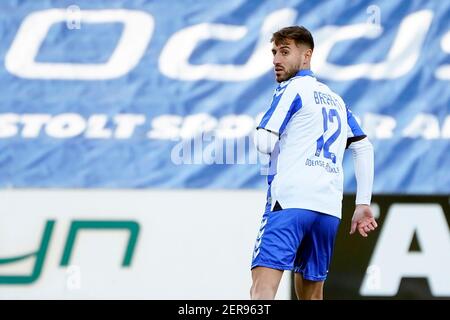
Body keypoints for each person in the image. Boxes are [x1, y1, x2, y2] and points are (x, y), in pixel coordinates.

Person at [250, 26, 377, 300]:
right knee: (311, 296)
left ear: (306, 56)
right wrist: (362, 203)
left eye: (285, 52)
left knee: (262, 291)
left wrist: (259, 132)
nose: (276, 60)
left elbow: (264, 142)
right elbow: (363, 146)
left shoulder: (292, 89)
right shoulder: (336, 99)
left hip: (290, 204)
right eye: (274, 52)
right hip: (328, 210)